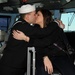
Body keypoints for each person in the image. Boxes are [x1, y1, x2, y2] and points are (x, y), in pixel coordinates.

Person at [0, 4, 60, 75]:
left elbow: (39, 42)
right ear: (27, 16)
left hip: (17, 65)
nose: (35, 16)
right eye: (34, 14)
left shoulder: (23, 25)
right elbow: (43, 32)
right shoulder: (21, 26)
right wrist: (56, 23)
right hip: (11, 66)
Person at [12, 8, 75, 75]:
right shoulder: (34, 30)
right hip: (41, 56)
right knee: (42, 70)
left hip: (59, 56)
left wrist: (26, 38)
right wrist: (45, 57)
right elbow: (37, 46)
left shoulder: (54, 29)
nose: (35, 16)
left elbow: (47, 41)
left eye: (38, 15)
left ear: (45, 17)